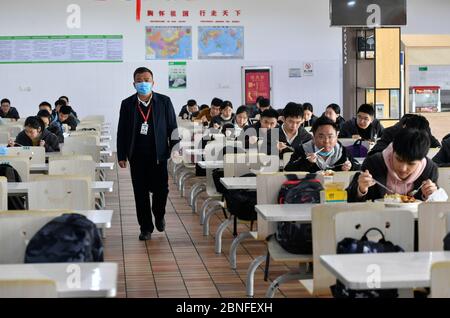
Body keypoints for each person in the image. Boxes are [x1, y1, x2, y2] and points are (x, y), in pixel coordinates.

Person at [117, 67, 178, 241]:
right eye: (139, 80)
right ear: (134, 83)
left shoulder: (164, 101)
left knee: (162, 190)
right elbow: (122, 131)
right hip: (137, 155)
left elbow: (172, 127)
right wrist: (121, 154)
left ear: (153, 82)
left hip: (159, 155)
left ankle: (159, 215)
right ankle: (145, 228)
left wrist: (175, 149)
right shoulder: (127, 104)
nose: (143, 83)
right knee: (140, 193)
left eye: (146, 79)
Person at [347, 128, 438, 202]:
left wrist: (431, 195)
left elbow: (437, 209)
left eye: (411, 163)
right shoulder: (374, 163)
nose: (403, 168)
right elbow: (350, 199)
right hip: (378, 221)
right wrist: (361, 189)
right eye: (399, 159)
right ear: (393, 151)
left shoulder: (429, 170)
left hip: (416, 223)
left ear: (421, 160)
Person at [284, 116, 359, 172]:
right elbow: (288, 170)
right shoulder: (303, 150)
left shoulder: (343, 152)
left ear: (336, 137)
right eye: (321, 136)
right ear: (313, 137)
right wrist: (307, 162)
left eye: (330, 136)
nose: (326, 141)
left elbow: (359, 167)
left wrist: (350, 166)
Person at [369, 114, 440, 156]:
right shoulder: (390, 133)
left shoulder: (424, 130)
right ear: (405, 128)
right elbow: (374, 153)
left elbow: (437, 148)